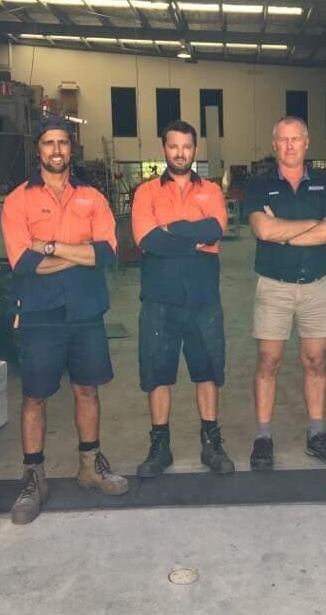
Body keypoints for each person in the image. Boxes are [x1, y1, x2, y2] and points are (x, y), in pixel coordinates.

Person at [1, 116, 128, 525]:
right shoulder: (18, 201)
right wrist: (79, 254)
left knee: (87, 390)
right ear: (37, 150)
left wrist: (52, 246)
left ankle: (89, 465)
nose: (56, 150)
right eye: (48, 143)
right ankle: (33, 476)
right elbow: (23, 262)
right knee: (34, 396)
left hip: (86, 310)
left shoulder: (93, 197)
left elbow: (107, 253)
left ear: (72, 149)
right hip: (39, 313)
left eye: (63, 143)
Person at [130, 120, 233, 477]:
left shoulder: (212, 192)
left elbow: (216, 228)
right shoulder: (145, 193)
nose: (180, 153)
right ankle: (160, 447)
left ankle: (211, 443)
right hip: (160, 299)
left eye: (186, 146)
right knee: (158, 374)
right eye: (173, 146)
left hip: (204, 298)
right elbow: (146, 239)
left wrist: (170, 231)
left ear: (195, 150)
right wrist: (193, 238)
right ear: (164, 149)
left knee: (207, 372)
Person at [243, 116, 326, 470]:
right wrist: (310, 226)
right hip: (274, 286)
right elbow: (262, 229)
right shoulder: (258, 185)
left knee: (316, 362)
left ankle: (317, 434)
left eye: (296, 139)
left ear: (307, 143)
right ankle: (263, 437)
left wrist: (283, 232)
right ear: (274, 145)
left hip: (317, 286)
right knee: (268, 362)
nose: (289, 146)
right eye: (282, 140)